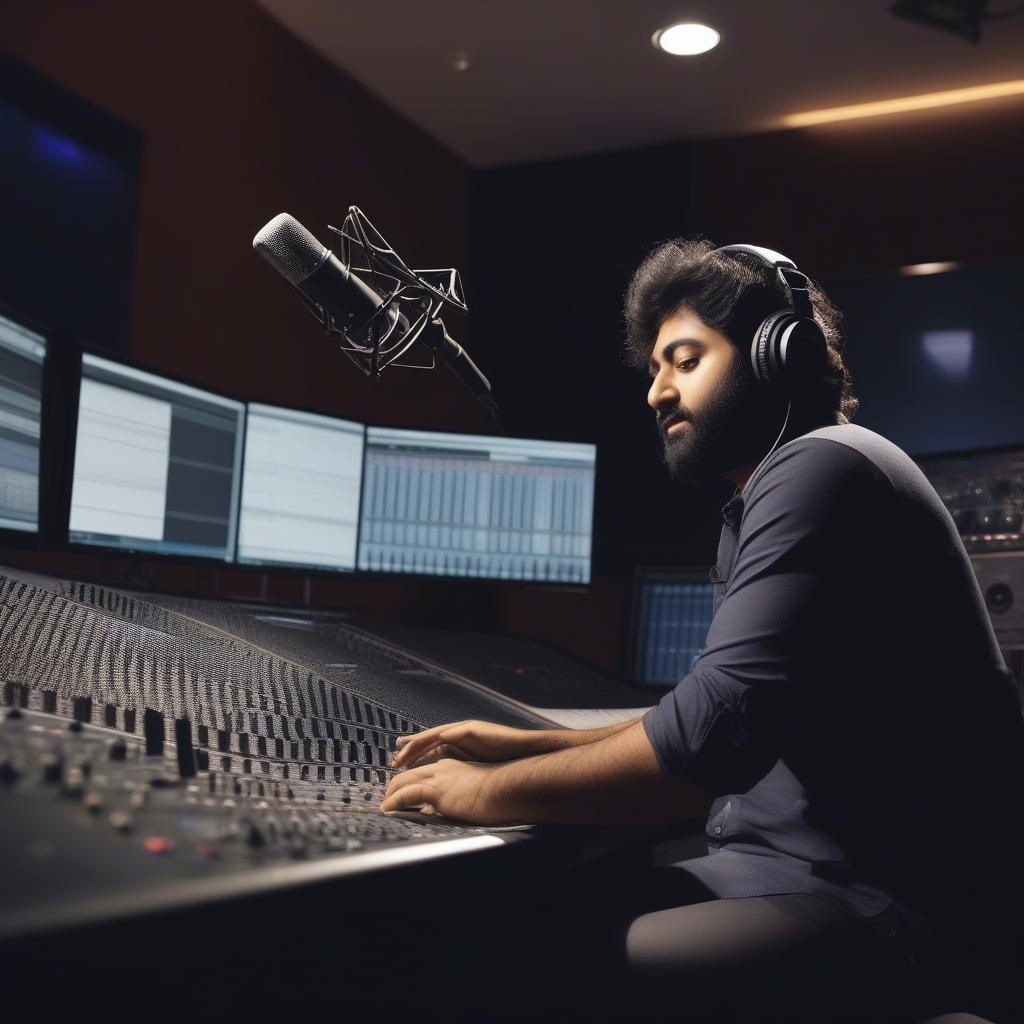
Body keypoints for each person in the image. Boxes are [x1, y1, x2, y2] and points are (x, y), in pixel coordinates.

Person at [380, 239, 1024, 1022]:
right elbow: (721, 713)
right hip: (797, 872)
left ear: (775, 356)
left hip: (877, 902)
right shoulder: (789, 485)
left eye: (683, 360)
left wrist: (483, 791)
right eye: (655, 368)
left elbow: (703, 747)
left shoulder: (819, 468)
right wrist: (530, 745)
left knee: (516, 960)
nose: (656, 392)